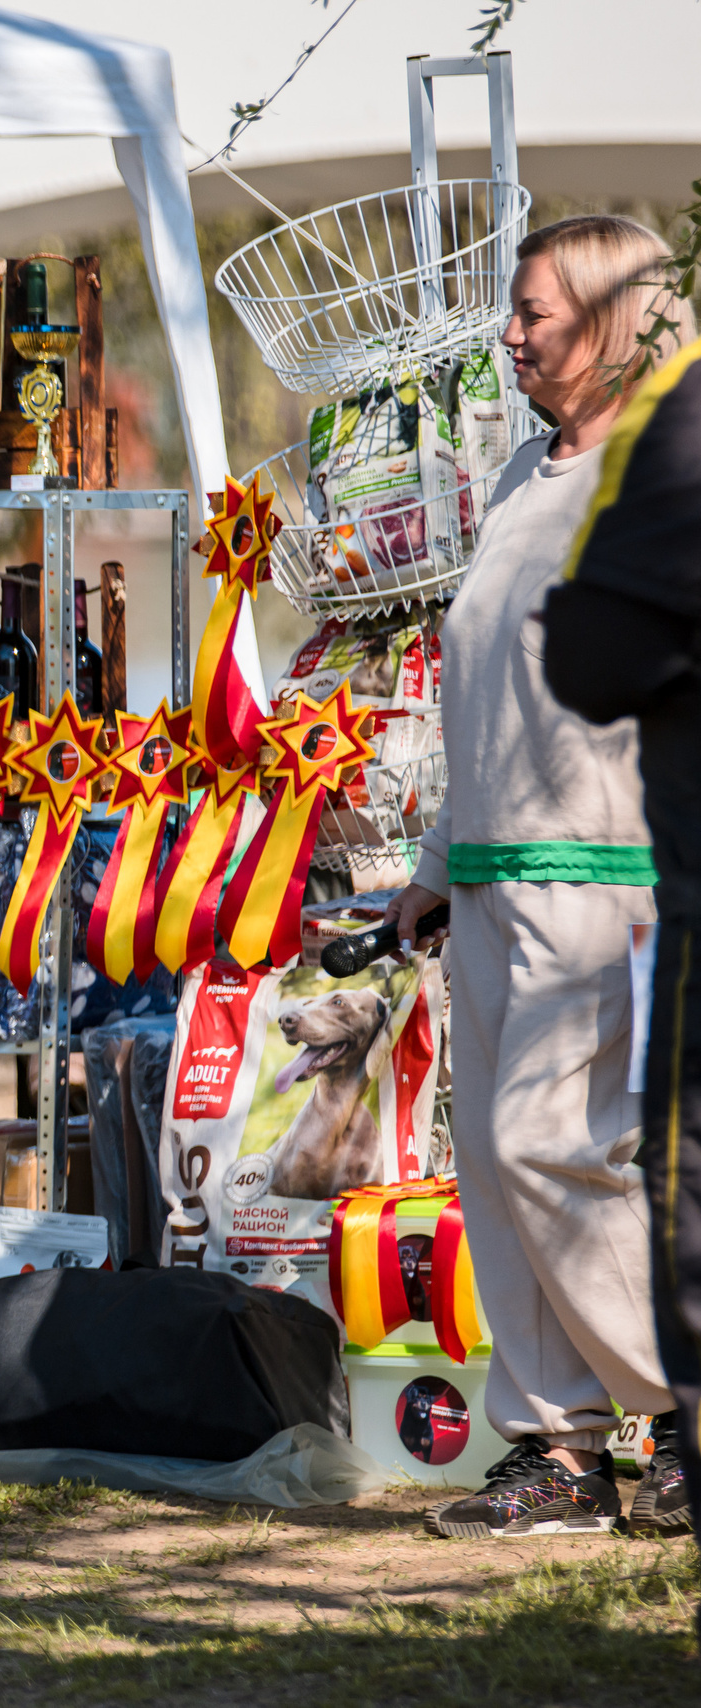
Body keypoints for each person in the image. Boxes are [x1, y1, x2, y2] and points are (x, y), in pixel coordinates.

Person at [382, 215, 689, 1540]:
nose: (509, 337)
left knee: (550, 1147)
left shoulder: (660, 472)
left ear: (615, 323)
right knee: (498, 1178)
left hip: (607, 873)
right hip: (498, 875)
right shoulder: (520, 475)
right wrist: (437, 866)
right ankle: (561, 1454)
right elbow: (489, 693)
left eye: (535, 318)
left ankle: (673, 1412)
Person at [543, 334, 701, 1552]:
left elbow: (596, 655)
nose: (505, 338)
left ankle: (652, 1429)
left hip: (634, 872)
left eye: (531, 313)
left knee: (666, 1177)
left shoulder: (681, 414)